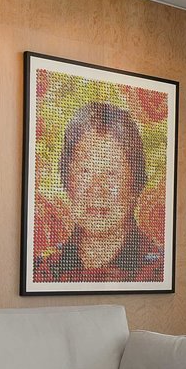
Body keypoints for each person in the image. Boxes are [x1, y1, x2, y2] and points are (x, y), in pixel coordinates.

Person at [35, 99, 164, 282]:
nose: (96, 189)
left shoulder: (157, 270)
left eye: (111, 174)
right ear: (66, 180)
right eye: (85, 172)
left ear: (135, 184)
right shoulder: (43, 270)